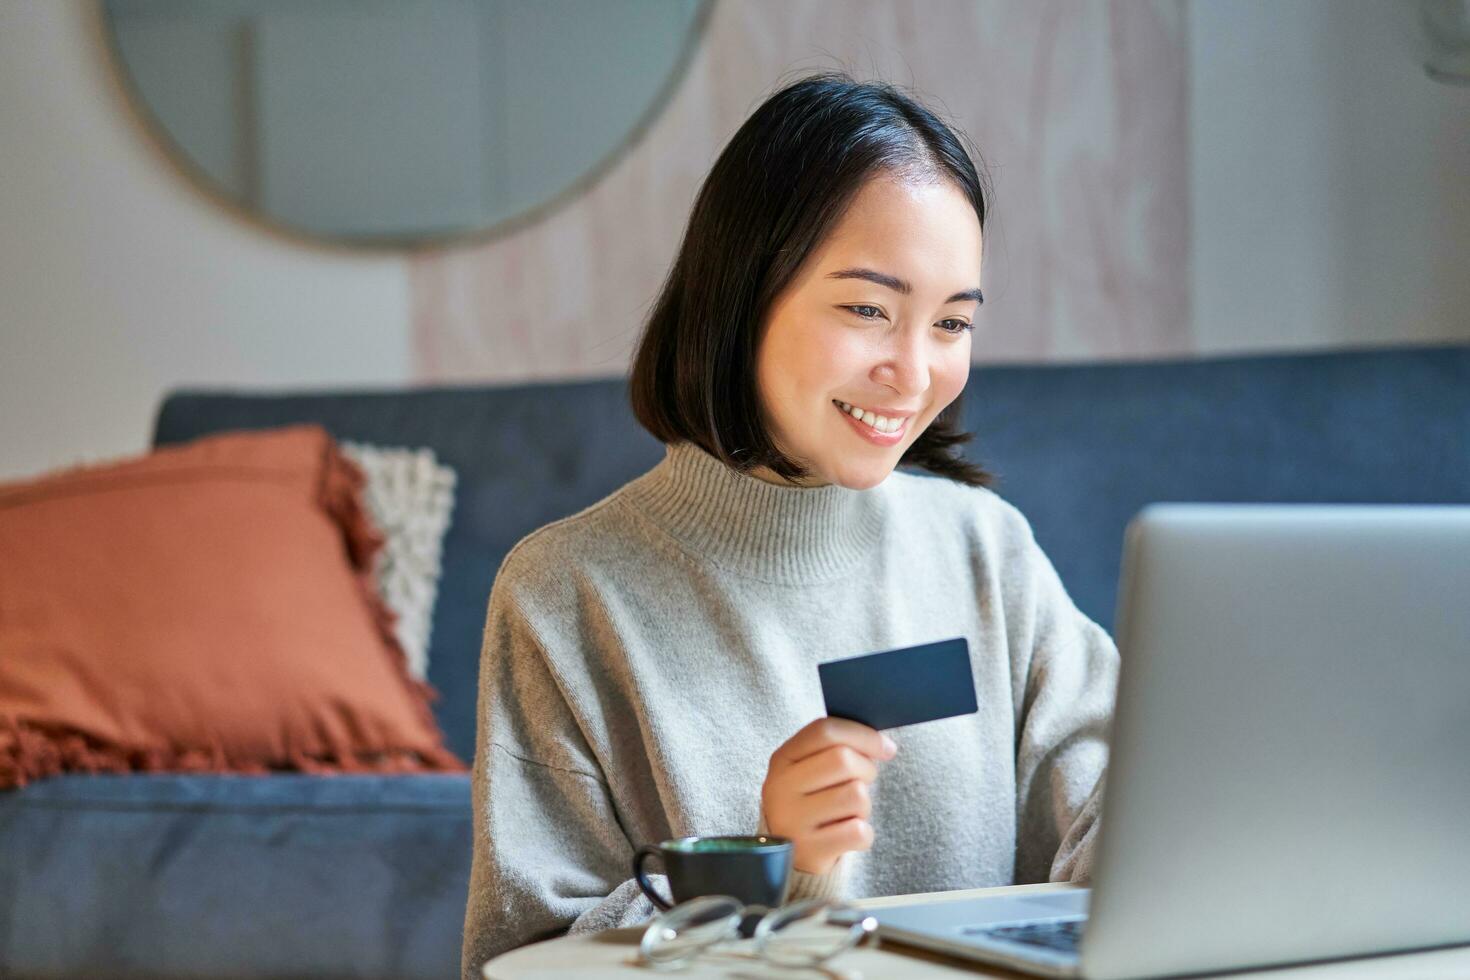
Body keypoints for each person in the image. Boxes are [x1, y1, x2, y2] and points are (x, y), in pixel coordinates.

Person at [461, 70, 1119, 979]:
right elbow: (526, 960)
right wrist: (770, 871)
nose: (914, 371)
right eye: (867, 309)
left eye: (952, 323)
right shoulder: (566, 594)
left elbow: (1124, 810)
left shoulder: (986, 548)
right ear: (743, 294)